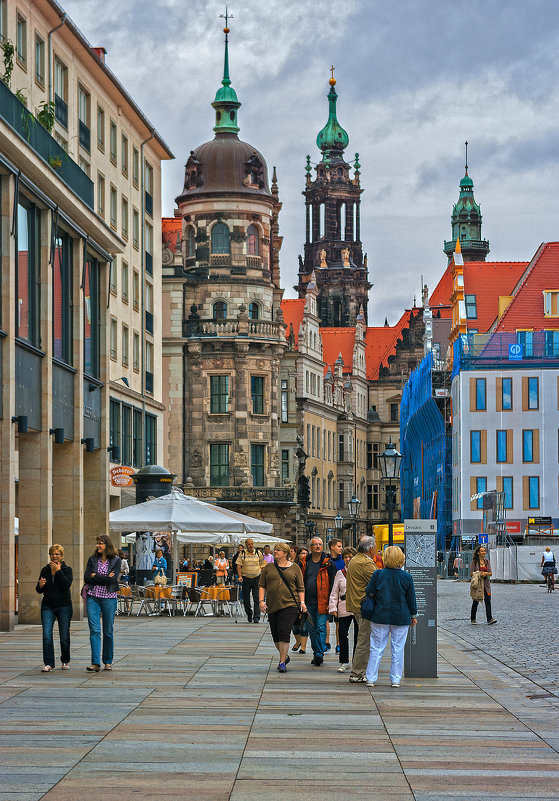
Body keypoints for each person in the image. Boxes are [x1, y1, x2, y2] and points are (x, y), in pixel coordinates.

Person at [363, 546, 417, 688]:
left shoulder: (378, 574)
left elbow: (369, 591)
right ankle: (395, 679)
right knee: (398, 649)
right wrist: (414, 615)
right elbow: (411, 599)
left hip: (380, 615)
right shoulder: (406, 577)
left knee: (376, 647)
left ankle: (370, 678)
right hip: (401, 616)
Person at [259, 543, 306, 672]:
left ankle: (281, 662)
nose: (275, 552)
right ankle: (284, 655)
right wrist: (261, 601)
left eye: (278, 550)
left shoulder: (295, 568)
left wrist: (302, 602)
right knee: (275, 635)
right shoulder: (268, 567)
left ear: (286, 553)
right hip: (272, 604)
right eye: (275, 550)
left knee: (284, 631)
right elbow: (262, 585)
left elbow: (301, 588)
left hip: (290, 604)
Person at [83, 534, 121, 672]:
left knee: (108, 631)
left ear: (107, 545)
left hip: (109, 598)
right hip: (93, 597)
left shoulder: (116, 560)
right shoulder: (92, 559)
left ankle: (107, 661)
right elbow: (87, 578)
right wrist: (104, 577)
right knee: (94, 630)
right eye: (97, 543)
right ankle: (95, 662)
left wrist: (96, 576)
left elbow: (112, 580)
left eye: (100, 543)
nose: (98, 545)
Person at [299, 537, 336, 666]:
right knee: (311, 628)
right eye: (315, 544)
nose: (318, 546)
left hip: (322, 601)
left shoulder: (329, 564)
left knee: (320, 627)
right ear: (310, 548)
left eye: (320, 544)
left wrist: (332, 602)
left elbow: (333, 584)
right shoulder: (304, 563)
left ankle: (319, 653)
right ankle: (316, 652)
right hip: (307, 602)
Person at [36, 544, 73, 672]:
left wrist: (58, 571)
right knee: (47, 635)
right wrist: (40, 586)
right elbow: (39, 590)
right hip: (48, 606)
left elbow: (66, 585)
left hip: (64, 606)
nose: (55, 556)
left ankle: (65, 660)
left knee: (64, 636)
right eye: (52, 554)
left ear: (61, 556)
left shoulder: (67, 569)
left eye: (57, 554)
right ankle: (49, 663)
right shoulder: (45, 570)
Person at [345, 536, 377, 683]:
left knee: (362, 639)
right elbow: (378, 581)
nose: (376, 549)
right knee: (364, 641)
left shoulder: (356, 559)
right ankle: (357, 673)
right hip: (364, 606)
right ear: (371, 549)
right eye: (375, 547)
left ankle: (359, 671)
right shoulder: (365, 563)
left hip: (357, 604)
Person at [329, 546, 357, 672]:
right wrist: (333, 607)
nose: (347, 559)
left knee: (359, 636)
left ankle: (357, 662)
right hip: (343, 607)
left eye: (350, 557)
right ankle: (344, 661)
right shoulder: (340, 573)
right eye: (345, 557)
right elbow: (334, 592)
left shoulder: (359, 571)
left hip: (357, 608)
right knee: (342, 634)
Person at [237, 538, 266, 622]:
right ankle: (249, 614)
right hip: (245, 578)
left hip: (257, 578)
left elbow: (263, 566)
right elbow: (238, 566)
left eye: (252, 544)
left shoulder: (258, 553)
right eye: (249, 544)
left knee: (257, 598)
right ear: (246, 545)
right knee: (246, 599)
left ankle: (256, 617)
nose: (251, 545)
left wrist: (264, 577)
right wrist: (240, 576)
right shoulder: (242, 553)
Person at [470, 544, 496, 625]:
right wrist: (479, 574)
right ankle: (473, 618)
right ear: (478, 553)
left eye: (484, 551)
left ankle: (489, 619)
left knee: (488, 601)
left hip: (486, 584)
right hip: (478, 584)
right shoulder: (474, 562)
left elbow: (490, 573)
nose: (484, 552)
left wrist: (485, 573)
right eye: (482, 551)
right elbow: (471, 573)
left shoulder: (487, 561)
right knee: (476, 601)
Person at [327, 538, 344, 652]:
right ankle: (326, 643)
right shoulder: (326, 560)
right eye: (339, 546)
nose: (341, 548)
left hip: (339, 595)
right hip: (327, 593)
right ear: (332, 547)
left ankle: (338, 644)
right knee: (326, 621)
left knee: (339, 621)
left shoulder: (343, 561)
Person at [291, 547, 310, 653]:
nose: (305, 555)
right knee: (294, 623)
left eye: (306, 553)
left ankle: (303, 646)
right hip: (294, 597)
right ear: (298, 555)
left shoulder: (311, 565)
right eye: (303, 553)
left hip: (307, 596)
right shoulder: (294, 566)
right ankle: (298, 641)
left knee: (304, 622)